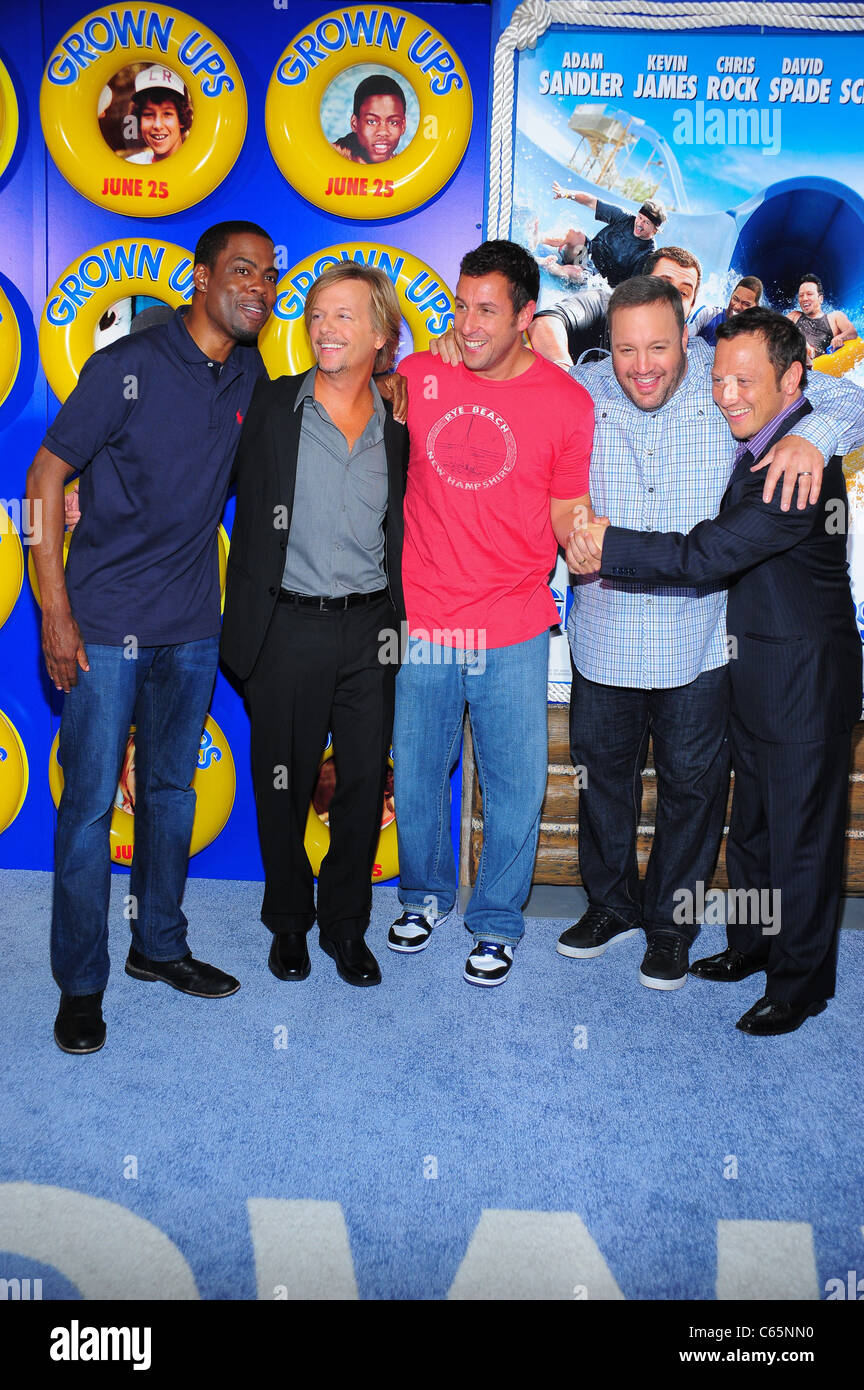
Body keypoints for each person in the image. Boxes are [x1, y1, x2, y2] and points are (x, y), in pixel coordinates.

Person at [560, 276, 864, 991]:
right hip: (604, 632)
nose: (642, 365)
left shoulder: (726, 390)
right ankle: (609, 905)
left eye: (659, 347)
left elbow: (846, 396)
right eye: (627, 348)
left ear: (685, 336)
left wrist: (814, 435)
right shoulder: (583, 387)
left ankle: (670, 927)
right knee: (602, 782)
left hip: (701, 642)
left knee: (693, 791)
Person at [26, 221, 278, 1054]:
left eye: (269, 275)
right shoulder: (125, 366)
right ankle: (80, 983)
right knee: (91, 809)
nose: (259, 286)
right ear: (202, 278)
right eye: (242, 270)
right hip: (101, 626)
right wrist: (53, 613)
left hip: (191, 629)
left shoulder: (249, 368)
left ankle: (158, 948)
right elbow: (44, 475)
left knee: (171, 795)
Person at [388, 240, 594, 985]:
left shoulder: (568, 402)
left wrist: (592, 541)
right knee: (415, 772)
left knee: (516, 784)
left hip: (513, 624)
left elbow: (569, 508)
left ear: (524, 317)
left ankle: (499, 920)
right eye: (458, 307)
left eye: (485, 311)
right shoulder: (419, 374)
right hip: (428, 620)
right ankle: (423, 895)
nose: (467, 325)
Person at [220, 263, 408, 989]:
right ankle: (290, 924)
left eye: (344, 316)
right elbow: (194, 469)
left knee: (363, 787)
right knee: (283, 787)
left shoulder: (398, 424)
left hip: (370, 632)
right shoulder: (269, 406)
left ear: (381, 335)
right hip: (285, 628)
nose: (324, 328)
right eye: (317, 315)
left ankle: (346, 928)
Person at [528, 246, 702, 370]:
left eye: (683, 293)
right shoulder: (603, 304)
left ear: (691, 307)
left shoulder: (685, 356)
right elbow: (546, 323)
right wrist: (564, 373)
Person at [544, 182, 664, 287]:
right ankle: (537, 238)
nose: (639, 224)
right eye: (640, 217)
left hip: (596, 279)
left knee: (576, 271)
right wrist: (566, 193)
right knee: (574, 234)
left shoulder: (648, 253)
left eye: (646, 222)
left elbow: (633, 286)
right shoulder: (624, 218)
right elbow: (591, 201)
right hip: (586, 255)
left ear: (654, 229)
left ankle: (548, 266)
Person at [332, 75, 407, 164]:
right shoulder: (327, 160)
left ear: (403, 126)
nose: (383, 132)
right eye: (372, 121)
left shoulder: (406, 168)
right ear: (354, 123)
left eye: (393, 122)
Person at [124, 66, 192, 163]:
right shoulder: (132, 166)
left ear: (181, 119)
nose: (157, 125)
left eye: (167, 114)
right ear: (139, 121)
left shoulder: (200, 166)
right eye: (148, 114)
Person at [787, 273, 856, 363]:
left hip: (819, 366)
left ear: (821, 299)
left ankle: (810, 353)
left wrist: (840, 337)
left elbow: (852, 332)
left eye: (809, 294)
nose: (804, 299)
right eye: (801, 295)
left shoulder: (834, 317)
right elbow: (775, 331)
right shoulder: (794, 316)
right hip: (797, 359)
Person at [691, 275, 762, 347]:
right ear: (731, 295)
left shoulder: (756, 338)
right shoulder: (707, 315)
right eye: (735, 299)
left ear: (755, 308)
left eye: (746, 304)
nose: (736, 306)